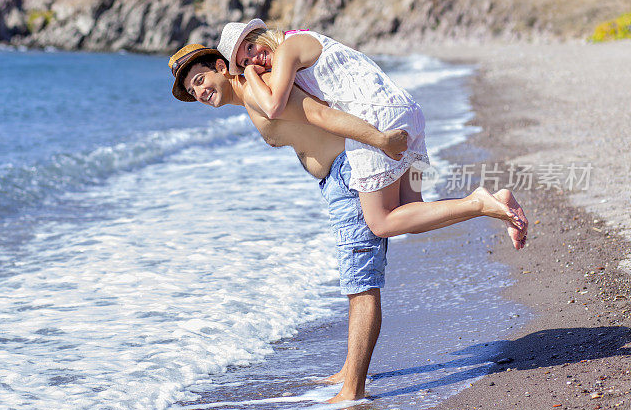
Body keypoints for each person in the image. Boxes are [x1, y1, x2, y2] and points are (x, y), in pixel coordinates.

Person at [167, 44, 528, 403]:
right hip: (354, 164)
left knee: (360, 283)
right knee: (409, 216)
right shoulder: (253, 93)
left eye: (200, 79)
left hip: (352, 170)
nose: (199, 92)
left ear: (220, 66)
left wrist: (379, 141)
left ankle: (353, 389)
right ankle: (484, 201)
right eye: (192, 90)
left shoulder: (255, 88)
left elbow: (319, 114)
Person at [217, 19, 528, 250]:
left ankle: (479, 203)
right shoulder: (308, 38)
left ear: (260, 35)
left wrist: (245, 75)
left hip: (378, 122)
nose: (255, 60)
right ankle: (493, 203)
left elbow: (273, 106)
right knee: (413, 210)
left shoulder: (286, 50)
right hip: (408, 113)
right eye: (245, 61)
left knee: (380, 222)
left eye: (251, 49)